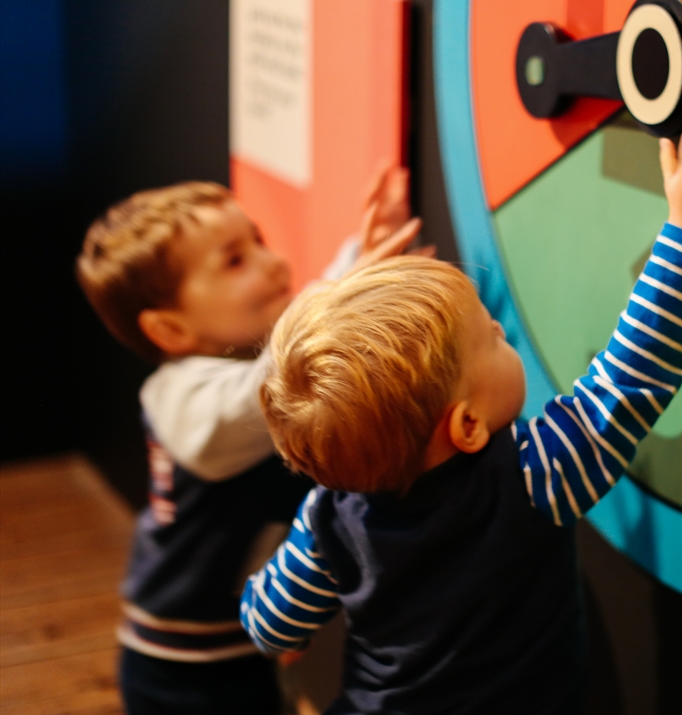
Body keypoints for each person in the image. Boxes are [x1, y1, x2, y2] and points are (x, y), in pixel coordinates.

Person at [240, 114, 682, 713]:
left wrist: (285, 632)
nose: (499, 330)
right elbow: (632, 376)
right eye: (491, 338)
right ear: (466, 425)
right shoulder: (533, 478)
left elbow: (267, 623)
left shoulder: (328, 517)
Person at [75, 166, 425, 714]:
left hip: (242, 646)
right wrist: (343, 295)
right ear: (171, 330)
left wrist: (363, 249)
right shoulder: (178, 395)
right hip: (180, 661)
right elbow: (266, 390)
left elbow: (287, 345)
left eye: (258, 240)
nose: (273, 262)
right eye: (236, 260)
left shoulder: (245, 363)